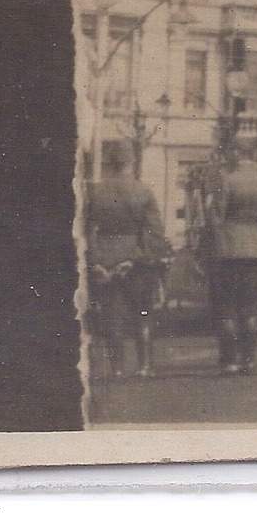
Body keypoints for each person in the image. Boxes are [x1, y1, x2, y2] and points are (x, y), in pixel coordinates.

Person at [84, 145, 169, 378]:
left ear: (110, 164)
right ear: (132, 163)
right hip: (137, 261)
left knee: (112, 316)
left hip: (106, 258)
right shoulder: (143, 192)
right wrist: (137, 258)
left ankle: (117, 368)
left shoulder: (96, 192)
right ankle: (144, 366)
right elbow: (155, 233)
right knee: (143, 314)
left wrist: (97, 262)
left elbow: (88, 230)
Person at [209, 147, 257, 374]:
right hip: (254, 246)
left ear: (235, 154)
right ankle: (248, 359)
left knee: (226, 305)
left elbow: (216, 216)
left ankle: (230, 359)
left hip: (228, 246)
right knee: (249, 306)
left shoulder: (227, 178)